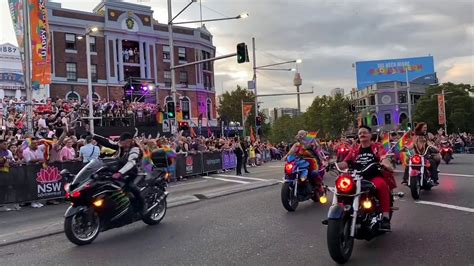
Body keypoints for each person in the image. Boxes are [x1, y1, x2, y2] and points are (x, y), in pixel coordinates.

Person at [337, 125, 394, 230]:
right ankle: (339, 213)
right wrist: (332, 164)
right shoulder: (355, 149)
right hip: (356, 177)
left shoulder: (377, 146)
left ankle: (385, 217)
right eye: (360, 133)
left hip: (373, 176)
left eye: (364, 132)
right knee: (341, 185)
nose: (362, 134)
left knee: (381, 185)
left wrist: (385, 164)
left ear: (370, 135)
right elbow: (346, 162)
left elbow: (383, 157)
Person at [93, 132, 146, 214]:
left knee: (131, 186)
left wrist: (120, 173)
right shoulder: (121, 146)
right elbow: (107, 142)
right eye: (122, 143)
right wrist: (94, 136)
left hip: (135, 171)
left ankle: (142, 207)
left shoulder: (135, 149)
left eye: (126, 143)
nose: (124, 145)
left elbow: (131, 163)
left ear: (130, 141)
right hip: (122, 170)